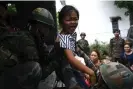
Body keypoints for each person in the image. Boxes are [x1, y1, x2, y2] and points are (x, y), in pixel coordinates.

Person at [0, 6, 58, 89]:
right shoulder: (26, 40)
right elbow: (40, 72)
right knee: (35, 68)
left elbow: (45, 58)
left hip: (8, 76)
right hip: (3, 77)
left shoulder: (36, 40)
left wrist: (56, 52)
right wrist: (55, 63)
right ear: (37, 26)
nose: (47, 31)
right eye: (46, 27)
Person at [55, 5, 96, 89]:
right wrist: (91, 72)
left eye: (75, 19)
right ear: (61, 21)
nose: (73, 22)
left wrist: (93, 69)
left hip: (72, 72)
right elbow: (71, 59)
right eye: (68, 20)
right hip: (65, 77)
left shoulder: (70, 35)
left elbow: (79, 53)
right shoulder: (64, 37)